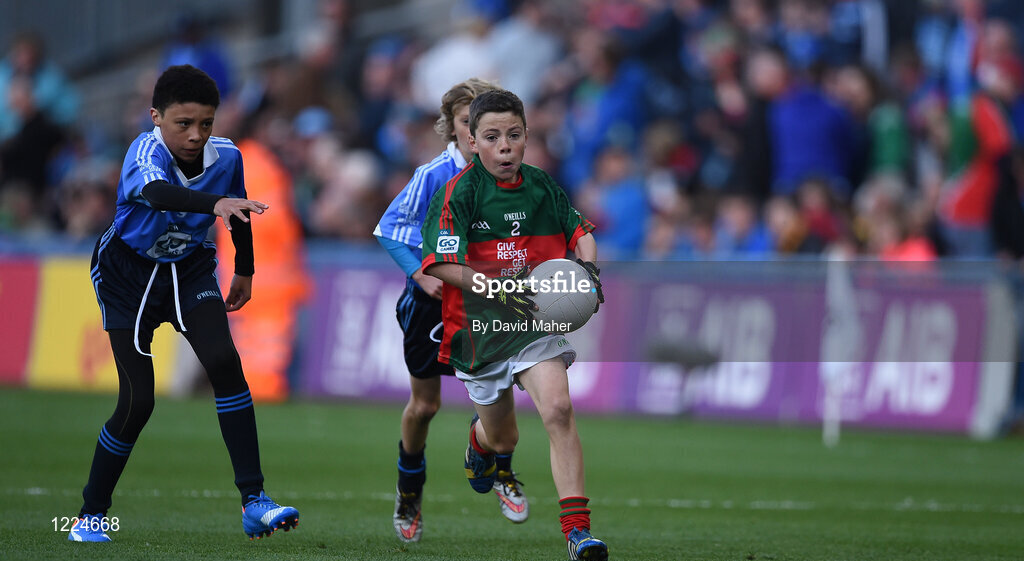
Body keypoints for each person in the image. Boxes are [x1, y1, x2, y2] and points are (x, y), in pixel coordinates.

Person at [67, 65, 299, 543]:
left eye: (206, 124)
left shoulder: (228, 157)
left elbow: (238, 210)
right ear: (156, 117)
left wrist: (246, 270)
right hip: (126, 277)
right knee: (138, 401)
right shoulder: (143, 150)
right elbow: (154, 193)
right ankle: (91, 514)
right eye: (183, 124)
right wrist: (213, 204)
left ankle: (254, 501)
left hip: (187, 268)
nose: (196, 135)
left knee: (224, 363)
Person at [420, 89, 609, 561]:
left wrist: (589, 273)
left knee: (559, 411)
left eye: (514, 135)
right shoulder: (458, 194)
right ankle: (479, 443)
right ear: (473, 142)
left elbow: (581, 233)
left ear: (526, 138)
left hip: (534, 322)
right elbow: (440, 266)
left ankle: (578, 533)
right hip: (478, 333)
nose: (504, 146)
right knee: (504, 438)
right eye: (492, 137)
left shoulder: (544, 186)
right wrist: (496, 288)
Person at [373, 78, 529, 543]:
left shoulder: (508, 175)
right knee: (425, 406)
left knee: (500, 398)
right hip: (431, 310)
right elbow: (389, 227)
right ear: (454, 127)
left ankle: (493, 464)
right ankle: (408, 492)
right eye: (468, 122)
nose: (477, 131)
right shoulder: (433, 175)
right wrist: (422, 275)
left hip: (484, 305)